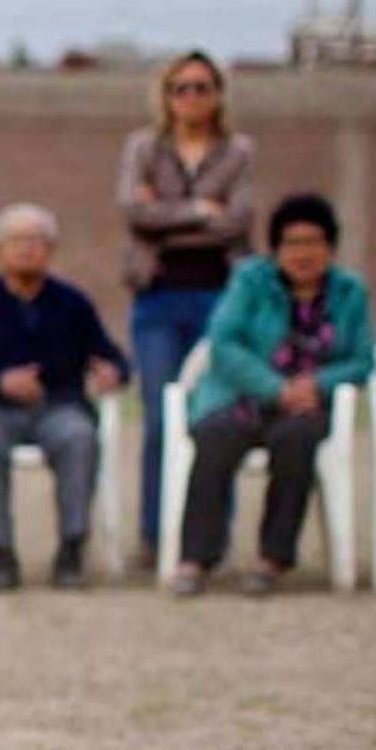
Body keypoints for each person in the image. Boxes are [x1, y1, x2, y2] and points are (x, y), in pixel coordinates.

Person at [171, 195, 373, 597]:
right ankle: (195, 559)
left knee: (296, 440)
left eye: (313, 242)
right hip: (241, 396)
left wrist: (316, 384)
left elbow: (362, 359)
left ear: (330, 247)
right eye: (292, 243)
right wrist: (275, 388)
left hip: (306, 405)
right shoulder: (250, 280)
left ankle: (272, 559)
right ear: (276, 248)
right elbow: (224, 343)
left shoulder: (349, 291)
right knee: (214, 437)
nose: (303, 253)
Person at [0, 204, 127, 590]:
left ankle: (72, 546)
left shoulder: (71, 303)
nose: (27, 250)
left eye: (37, 242)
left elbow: (110, 354)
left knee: (80, 437)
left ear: (51, 251)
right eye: (16, 241)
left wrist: (113, 370)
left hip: (59, 407)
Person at [117, 50, 256, 559]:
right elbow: (134, 212)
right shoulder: (143, 147)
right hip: (157, 297)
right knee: (160, 417)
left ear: (218, 94)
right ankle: (157, 536)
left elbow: (239, 219)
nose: (192, 97)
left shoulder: (237, 150)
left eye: (202, 87)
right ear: (166, 95)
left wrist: (165, 211)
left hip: (221, 299)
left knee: (217, 415)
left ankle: (209, 537)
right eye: (181, 87)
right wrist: (200, 208)